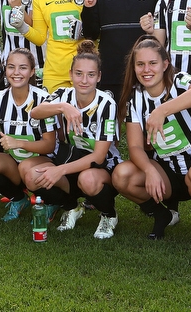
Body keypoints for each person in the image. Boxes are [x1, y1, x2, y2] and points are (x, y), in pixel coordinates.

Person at [112, 36, 191, 244]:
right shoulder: (135, 96)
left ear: (165, 64)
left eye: (153, 63)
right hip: (167, 171)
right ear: (134, 67)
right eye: (140, 64)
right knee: (122, 175)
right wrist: (149, 170)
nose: (147, 69)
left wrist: (163, 109)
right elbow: (135, 146)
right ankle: (161, 214)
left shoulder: (179, 81)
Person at [27, 40, 122, 239]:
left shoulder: (106, 103)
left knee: (86, 179)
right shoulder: (63, 94)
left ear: (99, 77)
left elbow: (99, 155)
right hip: (72, 158)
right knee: (32, 176)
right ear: (70, 75)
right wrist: (63, 107)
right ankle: (72, 208)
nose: (84, 80)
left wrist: (58, 170)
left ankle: (109, 215)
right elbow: (35, 112)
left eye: (91, 75)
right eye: (78, 74)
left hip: (102, 167)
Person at [0, 48, 56, 220]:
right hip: (16, 163)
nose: (16, 73)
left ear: (32, 71)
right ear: (5, 70)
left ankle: (53, 201)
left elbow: (50, 144)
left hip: (45, 163)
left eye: (23, 68)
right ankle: (19, 199)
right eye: (11, 67)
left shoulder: (43, 99)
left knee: (27, 168)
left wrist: (19, 143)